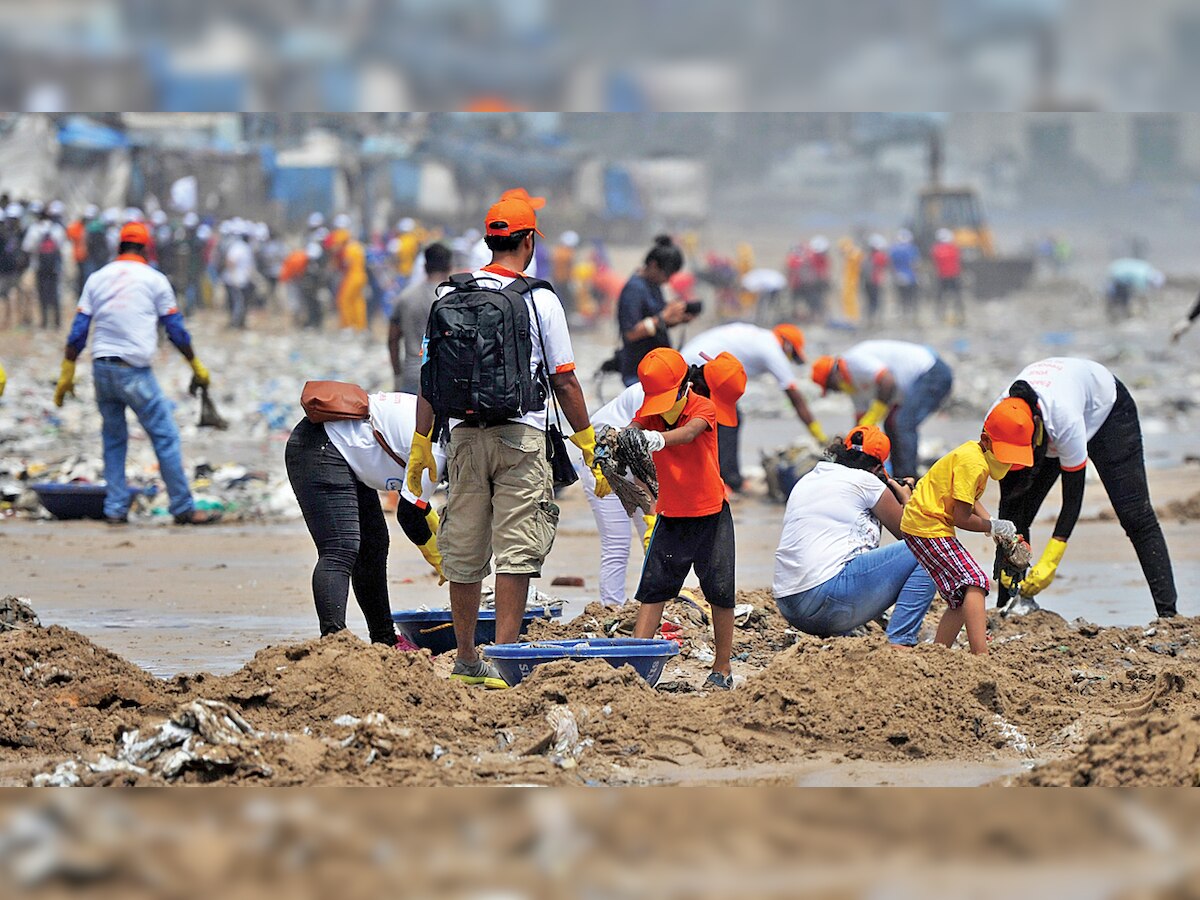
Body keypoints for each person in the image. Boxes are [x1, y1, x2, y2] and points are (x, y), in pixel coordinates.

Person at [406, 191, 609, 689]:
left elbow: (430, 379)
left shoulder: (450, 295)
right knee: (516, 548)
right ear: (528, 242)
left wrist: (420, 445)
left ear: (489, 239)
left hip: (463, 439)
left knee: (464, 548)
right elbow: (563, 379)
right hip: (522, 436)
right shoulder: (539, 299)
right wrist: (588, 445)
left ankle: (467, 661)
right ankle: (506, 656)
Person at [53, 222, 220, 525]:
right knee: (165, 436)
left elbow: (78, 332)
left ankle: (115, 509)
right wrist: (195, 365)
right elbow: (176, 331)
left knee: (114, 439)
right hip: (135, 372)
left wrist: (68, 370)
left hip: (102, 369)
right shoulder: (155, 280)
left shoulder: (96, 279)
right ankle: (182, 507)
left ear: (119, 247)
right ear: (146, 249)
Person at [992, 359, 1177, 619]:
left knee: (1135, 515)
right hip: (1042, 429)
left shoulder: (1064, 419)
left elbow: (1072, 498)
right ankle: (1009, 608)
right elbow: (1009, 504)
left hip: (1106, 413)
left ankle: (1169, 614)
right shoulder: (999, 420)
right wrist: (1007, 555)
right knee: (1016, 515)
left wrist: (1051, 559)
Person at [585, 351, 747, 609]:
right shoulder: (659, 394)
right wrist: (652, 511)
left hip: (642, 452)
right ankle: (611, 607)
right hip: (606, 455)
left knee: (654, 543)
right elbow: (639, 458)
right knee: (617, 542)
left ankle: (651, 604)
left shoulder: (687, 402)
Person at [285, 390, 447, 647]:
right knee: (341, 547)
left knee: (373, 545)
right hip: (319, 447)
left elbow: (418, 504)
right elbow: (409, 515)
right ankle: (333, 644)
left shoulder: (448, 427)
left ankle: (384, 640)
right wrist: (442, 561)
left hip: (347, 453)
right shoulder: (440, 450)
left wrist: (440, 543)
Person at [628, 347, 743, 690]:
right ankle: (636, 669)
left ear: (683, 388)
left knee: (720, 592)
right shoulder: (650, 416)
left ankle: (722, 668)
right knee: (653, 592)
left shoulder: (701, 407)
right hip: (672, 516)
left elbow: (691, 432)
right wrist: (624, 436)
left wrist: (656, 439)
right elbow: (634, 426)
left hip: (711, 515)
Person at [773, 426, 935, 646]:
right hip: (824, 601)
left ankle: (840, 634)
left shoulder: (809, 478)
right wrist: (906, 499)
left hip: (789, 604)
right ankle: (901, 641)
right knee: (932, 549)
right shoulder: (867, 482)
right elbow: (914, 536)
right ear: (878, 467)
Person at [899, 400, 1031, 655]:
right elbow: (961, 516)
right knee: (975, 582)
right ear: (986, 440)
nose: (1009, 463)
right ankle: (980, 656)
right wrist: (993, 525)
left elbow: (967, 498)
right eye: (1006, 454)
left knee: (961, 596)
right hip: (927, 525)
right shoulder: (974, 464)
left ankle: (939, 652)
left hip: (925, 522)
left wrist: (993, 526)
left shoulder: (974, 454)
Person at [682, 322, 827, 491]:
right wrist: (816, 432)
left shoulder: (761, 338)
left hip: (693, 359)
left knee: (718, 419)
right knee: (726, 420)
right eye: (792, 355)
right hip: (699, 365)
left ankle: (717, 476)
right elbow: (795, 397)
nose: (789, 360)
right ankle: (727, 480)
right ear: (787, 345)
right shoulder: (772, 350)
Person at [811, 340, 953, 480]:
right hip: (912, 385)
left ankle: (910, 479)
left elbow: (887, 381)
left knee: (903, 423)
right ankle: (899, 477)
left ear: (833, 375)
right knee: (890, 424)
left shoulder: (853, 362)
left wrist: (876, 411)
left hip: (931, 373)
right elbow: (861, 424)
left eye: (831, 386)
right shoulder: (853, 388)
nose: (835, 391)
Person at [616, 235, 692, 386]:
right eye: (667, 274)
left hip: (657, 367)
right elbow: (631, 333)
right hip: (640, 370)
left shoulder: (653, 285)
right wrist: (663, 317)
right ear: (653, 265)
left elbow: (657, 320)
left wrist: (676, 318)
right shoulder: (635, 288)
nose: (668, 279)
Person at [389, 243, 449, 393]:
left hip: (413, 375)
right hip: (444, 376)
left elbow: (392, 339)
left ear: (425, 266)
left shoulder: (406, 297)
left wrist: (397, 375)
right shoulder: (453, 298)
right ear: (449, 266)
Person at [23, 201, 67, 331]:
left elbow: (27, 247)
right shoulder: (57, 229)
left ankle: (44, 321)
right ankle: (57, 322)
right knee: (55, 293)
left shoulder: (35, 229)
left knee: (42, 293)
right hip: (55, 266)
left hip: (39, 266)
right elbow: (62, 247)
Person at [222, 225, 254, 329]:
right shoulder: (238, 247)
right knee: (238, 302)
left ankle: (239, 323)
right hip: (235, 280)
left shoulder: (245, 247)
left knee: (241, 302)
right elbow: (230, 261)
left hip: (242, 280)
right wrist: (233, 276)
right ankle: (235, 323)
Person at [930, 229, 964, 322]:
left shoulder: (936, 249)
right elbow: (959, 260)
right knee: (957, 297)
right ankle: (960, 315)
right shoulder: (954, 249)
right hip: (954, 276)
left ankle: (939, 316)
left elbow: (934, 261)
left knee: (940, 297)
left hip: (941, 277)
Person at [889, 229, 920, 320]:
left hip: (898, 277)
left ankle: (903, 316)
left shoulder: (893, 249)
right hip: (910, 277)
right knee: (911, 297)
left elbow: (891, 264)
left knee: (900, 298)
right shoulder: (912, 248)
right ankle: (912, 316)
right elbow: (915, 263)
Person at [863, 234, 889, 324]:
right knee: (876, 301)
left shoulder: (868, 256)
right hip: (875, 281)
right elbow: (884, 265)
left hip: (867, 282)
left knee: (870, 301)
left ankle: (870, 319)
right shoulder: (879, 255)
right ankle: (875, 320)